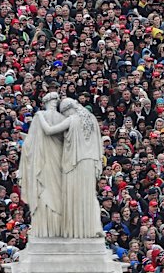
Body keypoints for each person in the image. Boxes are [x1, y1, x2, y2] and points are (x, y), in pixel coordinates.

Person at [37, 98, 103, 239]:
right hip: (90, 162)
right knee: (90, 196)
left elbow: (49, 131)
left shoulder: (72, 119)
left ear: (67, 109)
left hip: (75, 163)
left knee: (74, 196)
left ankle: (75, 230)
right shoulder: (91, 118)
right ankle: (94, 227)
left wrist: (40, 116)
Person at [19, 92, 65, 238]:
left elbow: (29, 143)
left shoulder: (40, 117)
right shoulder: (62, 118)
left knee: (46, 189)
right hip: (56, 158)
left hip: (45, 159)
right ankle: (55, 225)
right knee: (55, 190)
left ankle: (46, 226)